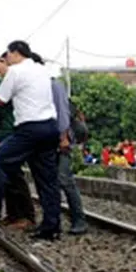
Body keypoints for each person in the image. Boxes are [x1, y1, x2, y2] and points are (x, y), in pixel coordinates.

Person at [0, 42, 62, 241]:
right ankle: (51, 227)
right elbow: (11, 73)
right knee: (47, 180)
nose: (6, 59)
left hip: (29, 129)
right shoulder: (40, 69)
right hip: (49, 127)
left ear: (15, 53)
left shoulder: (15, 72)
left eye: (8, 55)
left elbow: (1, 99)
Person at [0, 68, 35, 228]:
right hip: (1, 131)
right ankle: (13, 214)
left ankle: (25, 215)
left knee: (14, 176)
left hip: (9, 131)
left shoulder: (10, 81)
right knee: (7, 177)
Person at [51, 77, 88, 235]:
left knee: (65, 179)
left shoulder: (54, 85)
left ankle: (79, 220)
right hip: (50, 141)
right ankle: (55, 220)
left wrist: (64, 137)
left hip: (63, 141)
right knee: (53, 182)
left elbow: (63, 114)